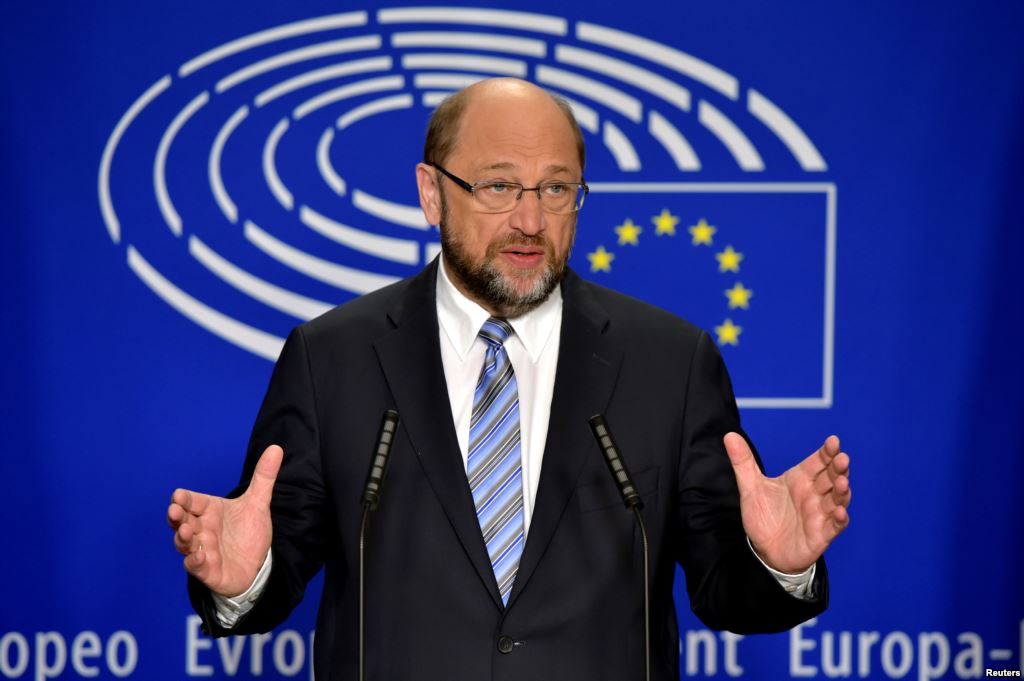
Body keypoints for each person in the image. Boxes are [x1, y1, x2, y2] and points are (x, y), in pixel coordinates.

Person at [167, 78, 850, 680]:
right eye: (498, 185)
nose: (531, 220)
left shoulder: (670, 362)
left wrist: (776, 563)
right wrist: (244, 578)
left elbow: (725, 588)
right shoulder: (331, 357)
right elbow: (271, 570)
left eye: (557, 189)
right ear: (432, 193)